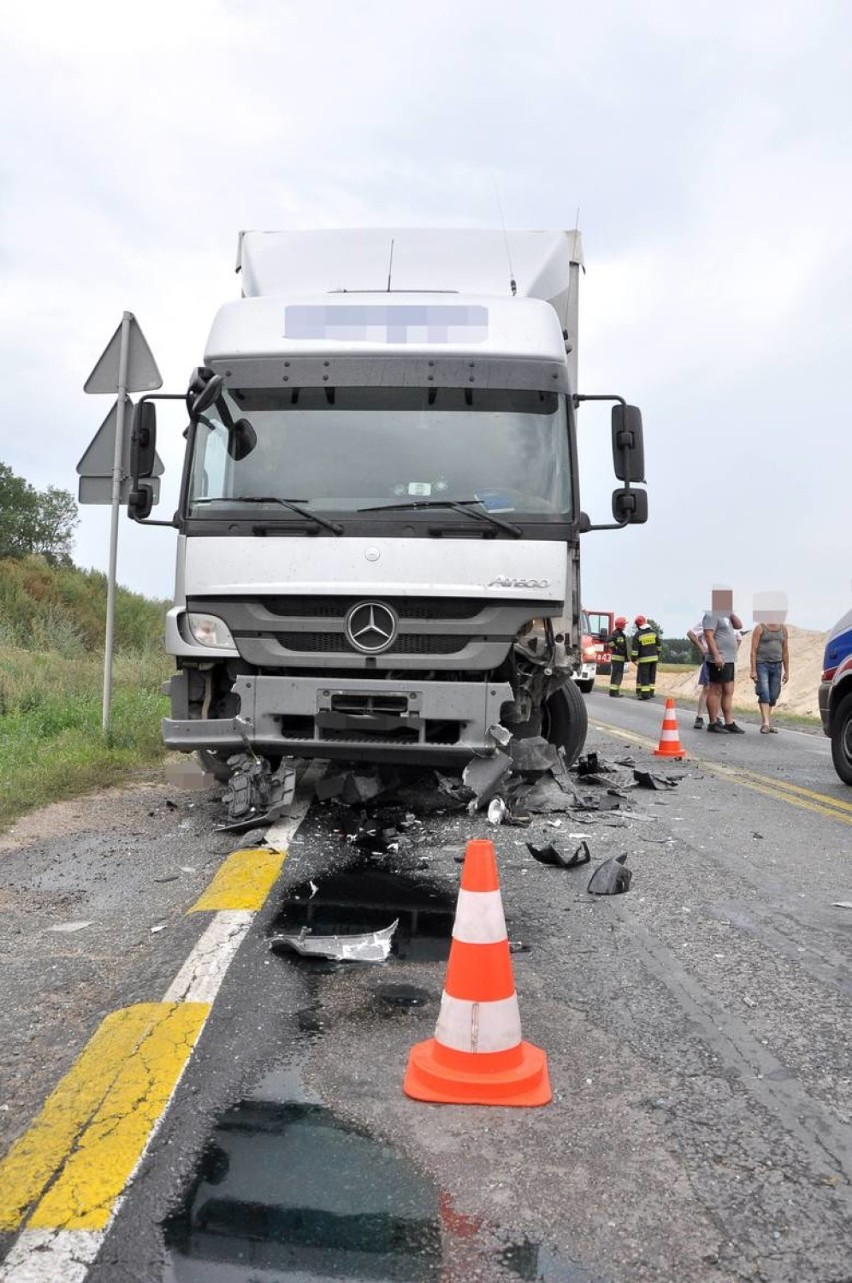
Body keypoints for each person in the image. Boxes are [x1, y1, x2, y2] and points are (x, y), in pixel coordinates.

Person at [703, 602, 745, 733]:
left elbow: (739, 626)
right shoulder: (711, 614)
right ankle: (713, 722)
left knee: (728, 690)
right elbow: (708, 635)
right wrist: (716, 655)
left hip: (729, 659)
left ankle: (729, 722)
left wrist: (731, 613)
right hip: (719, 658)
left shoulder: (727, 616)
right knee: (715, 690)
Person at [750, 620, 789, 733]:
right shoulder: (760, 628)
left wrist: (787, 671)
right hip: (762, 664)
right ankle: (766, 724)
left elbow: (785, 651)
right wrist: (753, 670)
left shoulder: (783, 629)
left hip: (777, 665)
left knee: (773, 695)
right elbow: (753, 650)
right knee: (764, 693)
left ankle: (766, 723)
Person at [686, 619, 712, 728]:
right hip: (710, 658)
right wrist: (702, 647)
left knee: (719, 689)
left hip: (724, 658)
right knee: (707, 687)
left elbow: (738, 636)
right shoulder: (708, 620)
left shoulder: (727, 621)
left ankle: (716, 718)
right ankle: (700, 717)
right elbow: (690, 633)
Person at [631, 615, 659, 700]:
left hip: (644, 659)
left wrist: (634, 659)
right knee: (652, 675)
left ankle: (645, 695)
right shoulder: (653, 633)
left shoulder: (638, 635)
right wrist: (657, 654)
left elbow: (635, 650)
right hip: (654, 658)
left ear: (637, 625)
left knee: (644, 676)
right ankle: (651, 693)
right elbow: (659, 646)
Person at [607, 616, 630, 696]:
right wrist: (615, 648)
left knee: (618, 675)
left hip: (620, 658)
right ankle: (614, 692)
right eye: (625, 624)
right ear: (622, 625)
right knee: (617, 675)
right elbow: (609, 640)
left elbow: (624, 648)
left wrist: (626, 658)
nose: (625, 626)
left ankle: (615, 691)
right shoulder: (616, 633)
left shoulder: (621, 634)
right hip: (617, 658)